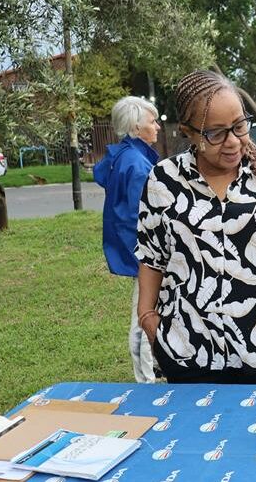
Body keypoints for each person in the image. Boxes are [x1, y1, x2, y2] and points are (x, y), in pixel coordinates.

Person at [135, 70, 256, 384]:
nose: (233, 141)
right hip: (189, 350)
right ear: (189, 133)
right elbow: (152, 256)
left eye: (239, 125)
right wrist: (148, 319)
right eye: (216, 133)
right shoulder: (163, 179)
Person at [93, 96, 161, 384]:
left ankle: (155, 367)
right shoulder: (136, 165)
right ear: (136, 126)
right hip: (144, 253)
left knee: (150, 310)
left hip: (132, 249)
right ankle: (145, 381)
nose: (157, 126)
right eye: (152, 121)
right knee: (143, 315)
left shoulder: (122, 156)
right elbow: (146, 217)